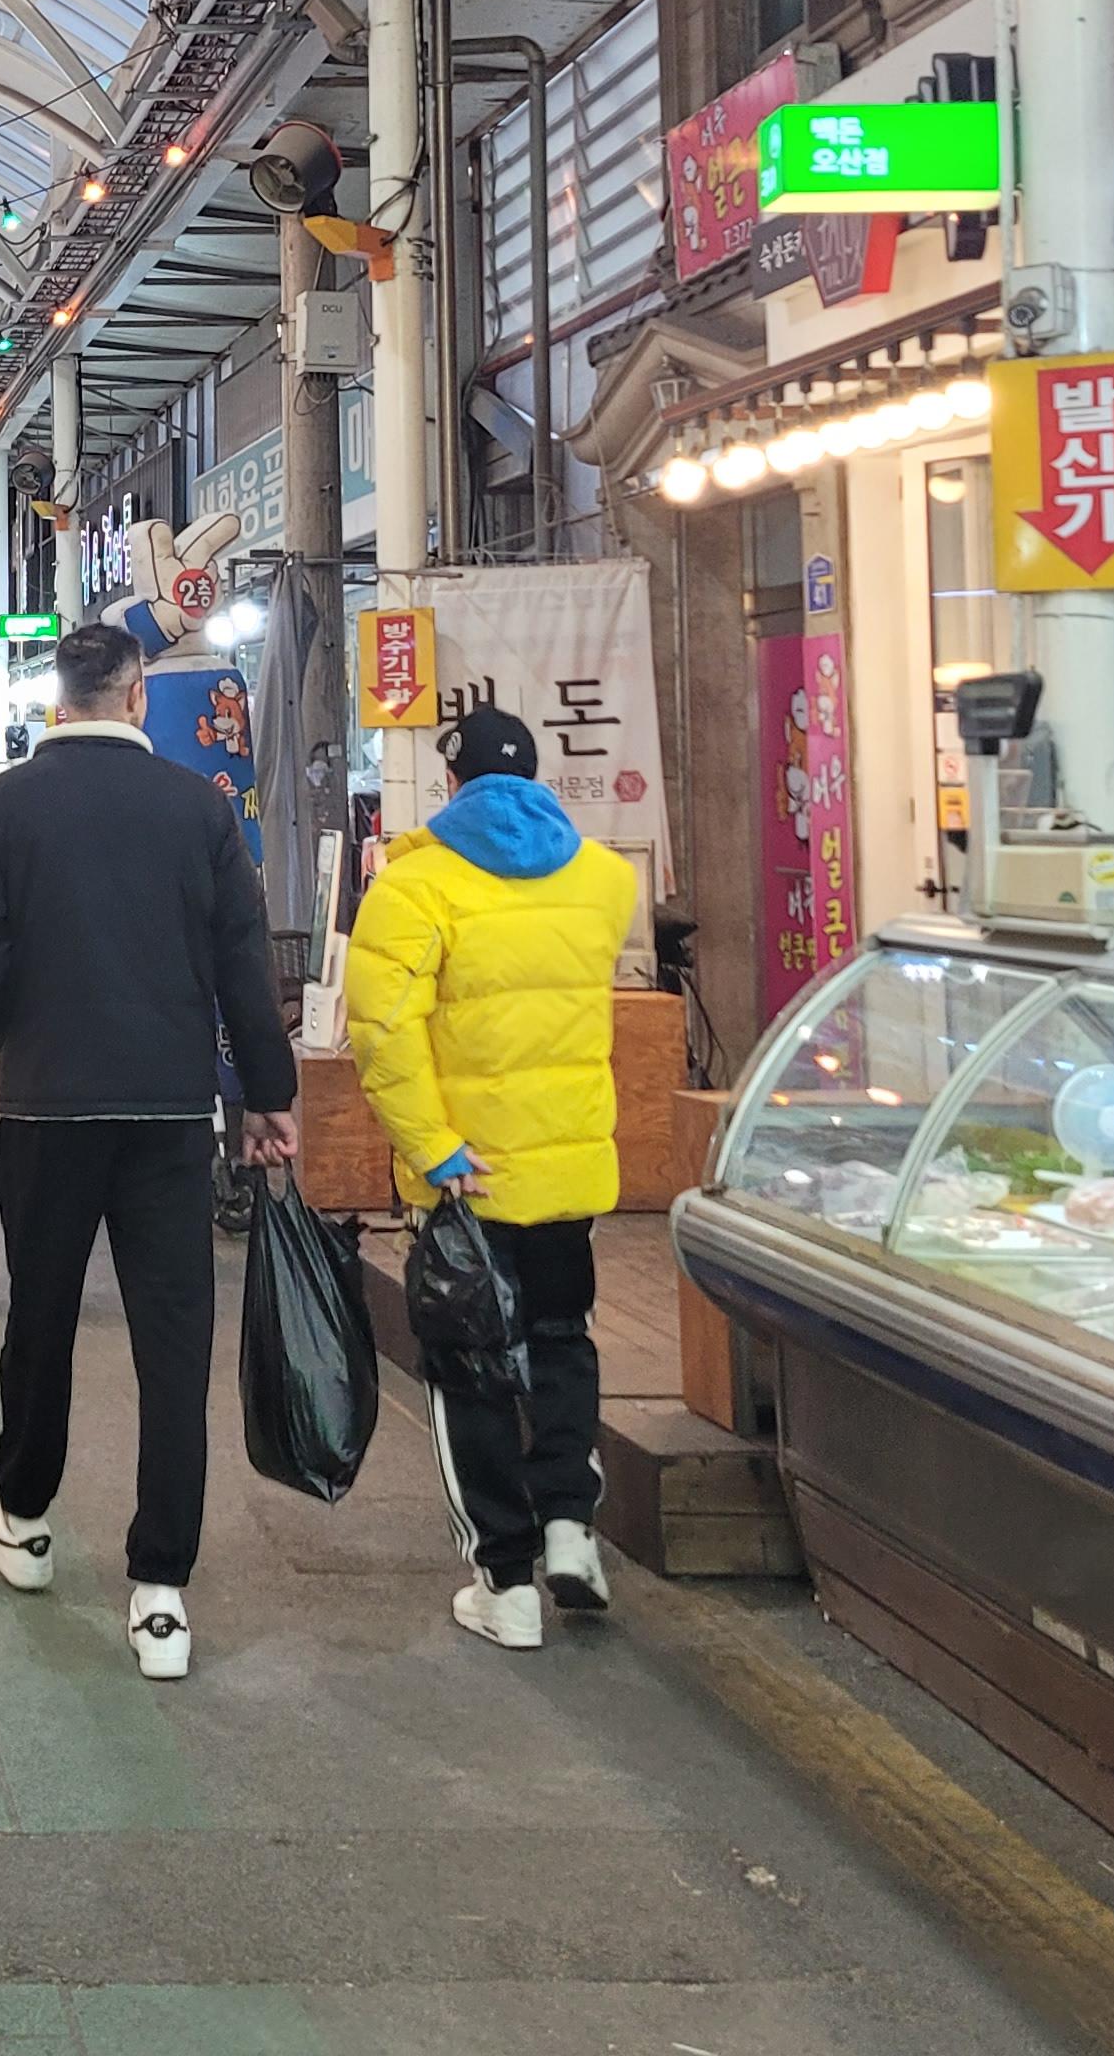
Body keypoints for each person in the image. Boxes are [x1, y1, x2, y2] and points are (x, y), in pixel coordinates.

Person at [0, 622, 297, 1682]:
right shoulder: (197, 809)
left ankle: (25, 1524)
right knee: (173, 1343)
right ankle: (161, 1592)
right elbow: (243, 959)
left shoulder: (1, 807)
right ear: (137, 698)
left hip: (48, 1110)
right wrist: (265, 1096)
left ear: (59, 698)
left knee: (40, 1322)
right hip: (168, 1115)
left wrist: (22, 1029)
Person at [345, 704, 640, 1651]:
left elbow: (381, 1032)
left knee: (468, 1365)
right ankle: (571, 1527)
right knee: (561, 1342)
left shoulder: (414, 885)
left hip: (465, 1180)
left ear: (453, 781)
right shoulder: (603, 879)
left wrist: (432, 1145)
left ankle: (506, 1584)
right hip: (567, 1166)